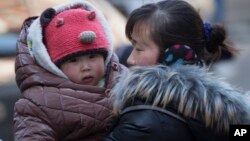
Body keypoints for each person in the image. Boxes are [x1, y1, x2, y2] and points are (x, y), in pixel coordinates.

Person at [103, 0, 246, 141]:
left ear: (176, 55)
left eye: (139, 49)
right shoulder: (232, 116)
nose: (130, 59)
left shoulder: (145, 121)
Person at [13, 0, 127, 140]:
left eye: (93, 56)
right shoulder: (39, 102)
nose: (86, 67)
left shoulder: (125, 80)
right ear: (54, 66)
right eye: (73, 60)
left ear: (106, 56)